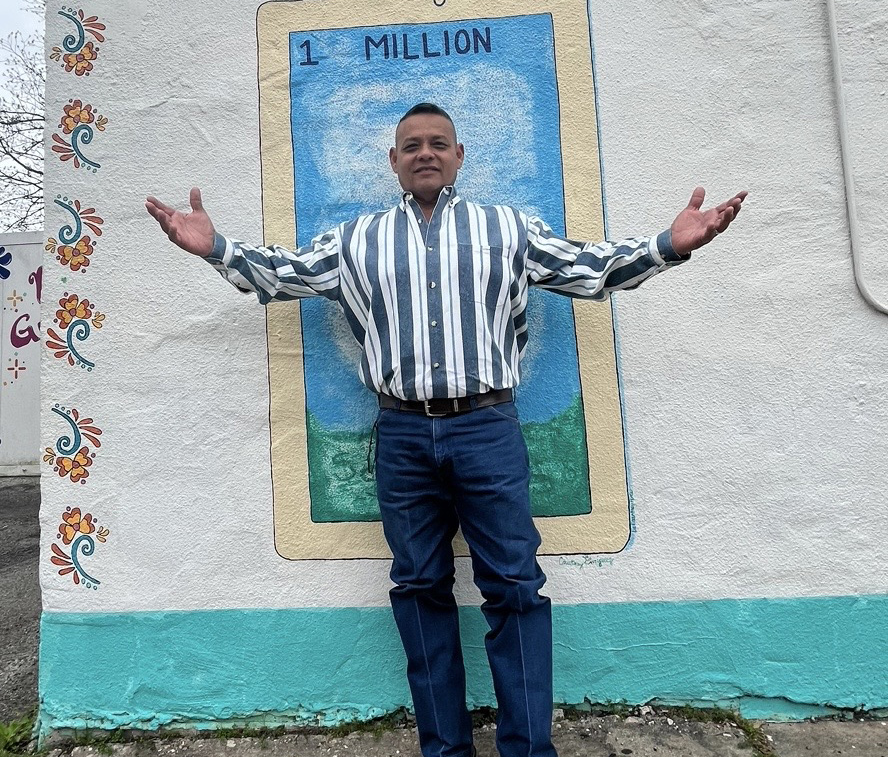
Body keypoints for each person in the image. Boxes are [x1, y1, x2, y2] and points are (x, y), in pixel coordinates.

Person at [146, 102, 746, 757]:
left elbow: (589, 268)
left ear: (459, 156)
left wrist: (668, 245)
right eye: (411, 145)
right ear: (394, 161)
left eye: (438, 142)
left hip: (487, 427)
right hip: (402, 436)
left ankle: (525, 749)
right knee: (419, 588)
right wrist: (216, 249)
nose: (425, 152)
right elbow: (286, 274)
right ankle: (444, 749)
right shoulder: (355, 241)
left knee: (515, 587)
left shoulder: (509, 229)